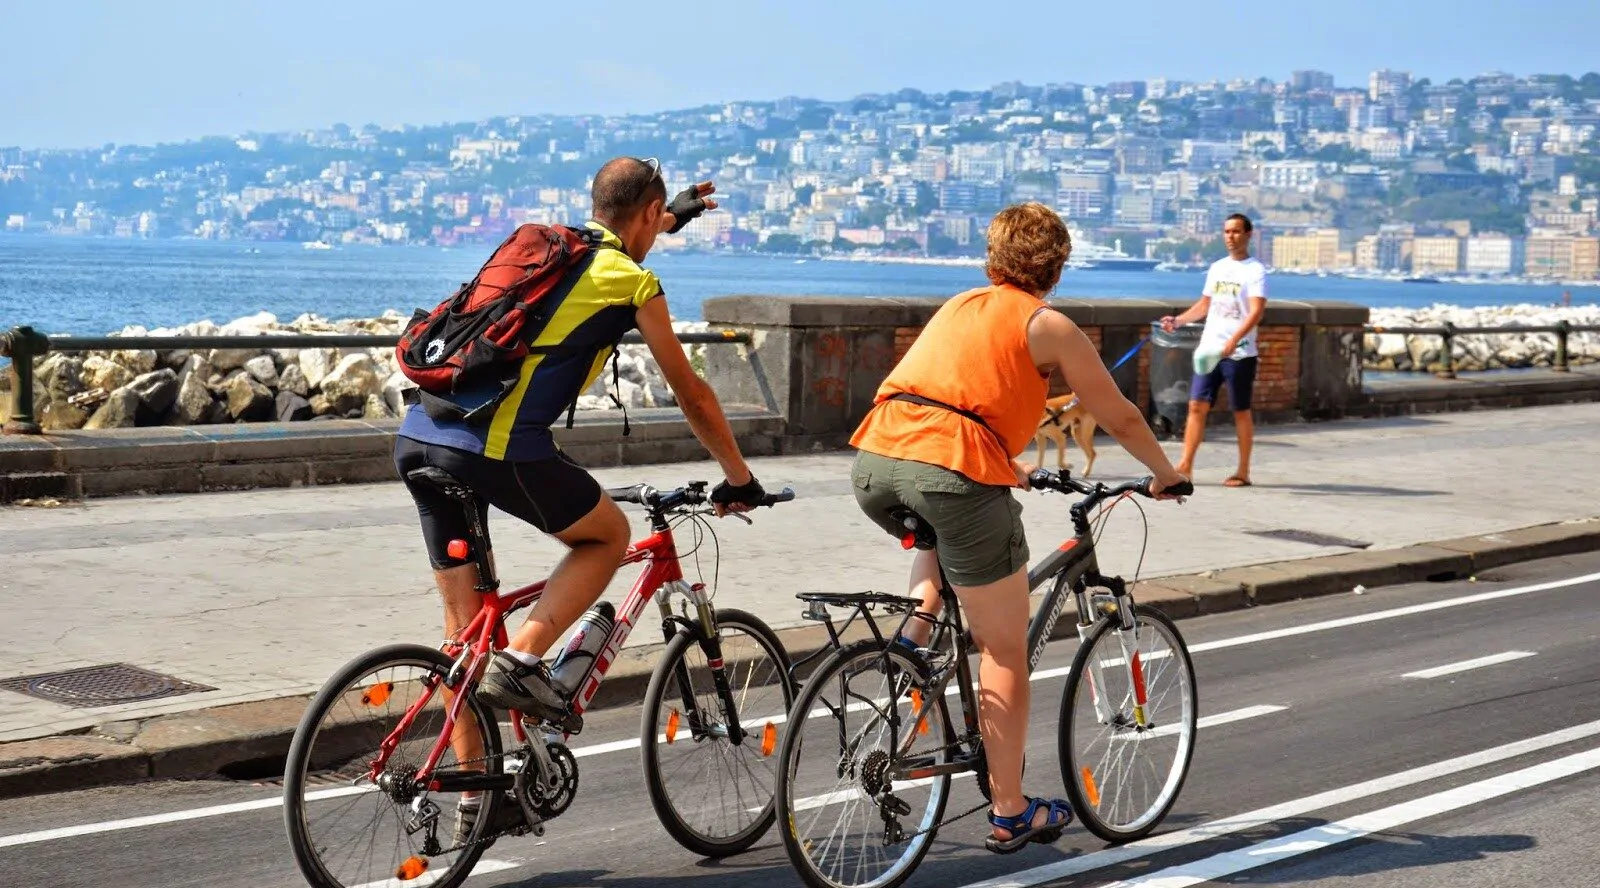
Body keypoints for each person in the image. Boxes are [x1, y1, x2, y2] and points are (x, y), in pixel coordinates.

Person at [392, 157, 769, 841]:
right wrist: (739, 477)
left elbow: (617, 235)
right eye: (659, 221)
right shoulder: (634, 280)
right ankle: (528, 660)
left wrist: (669, 214)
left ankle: (480, 802)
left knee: (461, 641)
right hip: (493, 446)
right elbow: (691, 391)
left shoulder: (553, 249)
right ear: (649, 215)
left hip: (420, 434)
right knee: (606, 536)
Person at [847, 202, 1189, 854]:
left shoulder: (960, 304)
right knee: (1003, 648)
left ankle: (913, 649)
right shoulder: (1048, 324)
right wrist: (1165, 473)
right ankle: (1009, 810)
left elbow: (948, 398)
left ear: (993, 254)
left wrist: (1004, 463)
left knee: (943, 558)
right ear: (1056, 265)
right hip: (950, 474)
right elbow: (1116, 414)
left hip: (876, 464)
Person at [1159, 213, 1267, 488]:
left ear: (1248, 235)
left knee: (1240, 410)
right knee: (1196, 405)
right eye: (1227, 232)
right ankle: (1185, 466)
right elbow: (1204, 305)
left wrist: (1235, 339)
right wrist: (1179, 320)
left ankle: (1243, 471)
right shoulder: (1217, 268)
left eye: (1236, 232)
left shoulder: (1255, 270)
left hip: (1239, 352)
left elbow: (1256, 312)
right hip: (1209, 350)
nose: (1230, 236)